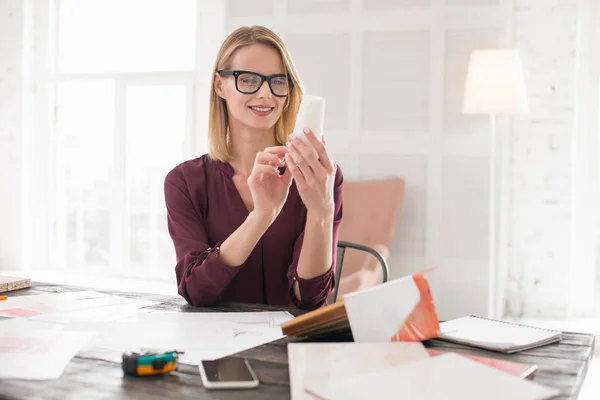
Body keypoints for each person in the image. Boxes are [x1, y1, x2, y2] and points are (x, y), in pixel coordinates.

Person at [164, 25, 343, 311]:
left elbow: (309, 298)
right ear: (220, 85)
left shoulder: (320, 176)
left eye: (278, 82)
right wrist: (262, 215)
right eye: (248, 80)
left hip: (288, 347)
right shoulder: (184, 181)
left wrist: (322, 210)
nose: (266, 94)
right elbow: (196, 290)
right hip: (213, 343)